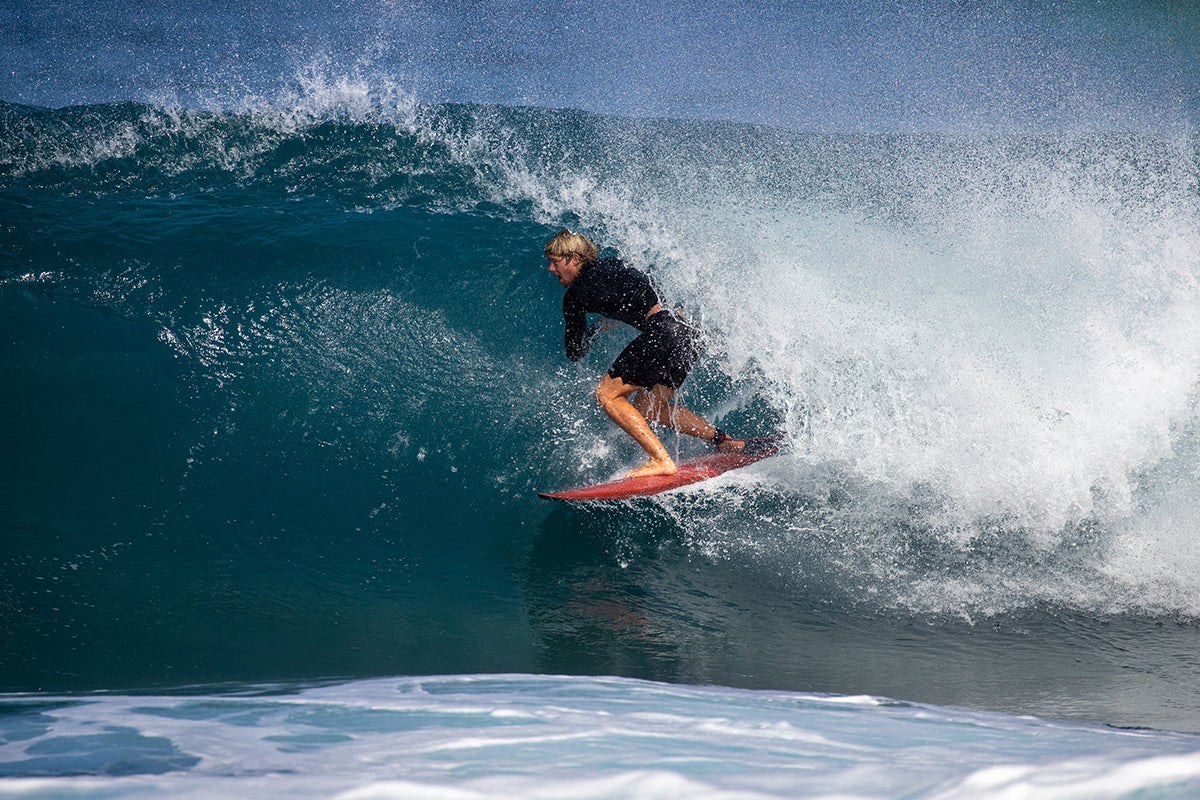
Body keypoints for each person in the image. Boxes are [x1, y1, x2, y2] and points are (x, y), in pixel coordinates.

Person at [545, 229, 751, 478]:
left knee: (606, 396)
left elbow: (575, 351)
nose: (551, 270)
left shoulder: (575, 296)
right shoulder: (616, 264)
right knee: (649, 408)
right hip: (690, 331)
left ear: (575, 258)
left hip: (664, 330)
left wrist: (596, 328)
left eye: (555, 262)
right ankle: (725, 442)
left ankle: (660, 460)